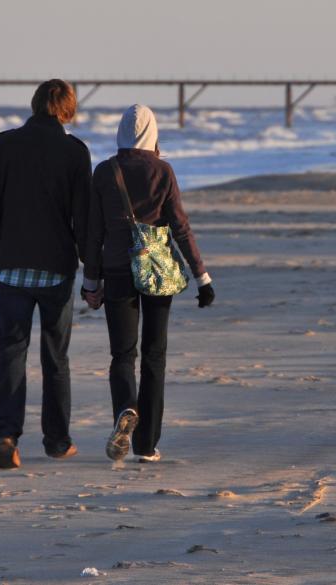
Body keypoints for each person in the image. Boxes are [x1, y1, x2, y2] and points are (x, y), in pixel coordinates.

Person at [82, 104, 215, 463]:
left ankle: (126, 408)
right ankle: (146, 445)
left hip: (117, 270)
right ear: (152, 134)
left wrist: (91, 281)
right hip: (158, 271)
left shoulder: (105, 172)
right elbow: (180, 226)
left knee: (123, 355)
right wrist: (202, 277)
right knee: (155, 356)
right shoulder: (163, 171)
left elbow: (93, 232)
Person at [0, 79, 91, 470]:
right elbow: (83, 217)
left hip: (9, 266)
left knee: (11, 352)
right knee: (55, 357)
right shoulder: (75, 152)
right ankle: (57, 441)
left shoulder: (2, 144)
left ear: (34, 105)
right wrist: (90, 265)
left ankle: (7, 435)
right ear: (68, 110)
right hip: (56, 269)